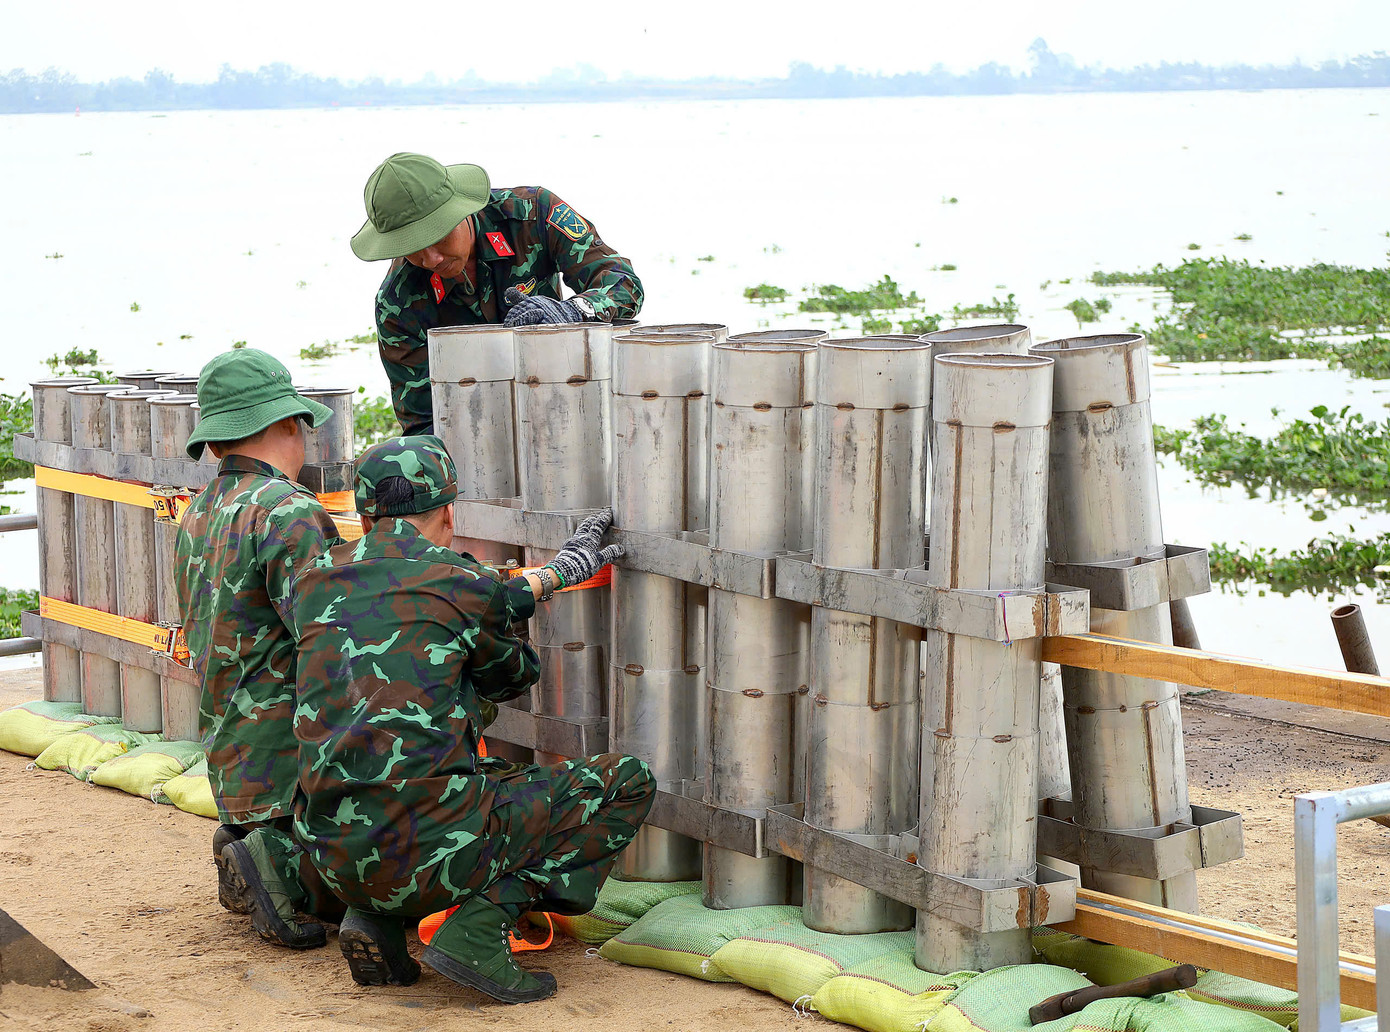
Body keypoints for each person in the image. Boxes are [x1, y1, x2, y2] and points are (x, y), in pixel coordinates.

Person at [288, 436, 654, 1002]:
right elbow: (514, 677)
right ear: (448, 512)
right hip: (427, 852)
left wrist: (540, 581)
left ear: (364, 513)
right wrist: (555, 578)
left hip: (332, 855)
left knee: (419, 770)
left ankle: (374, 918)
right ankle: (481, 929)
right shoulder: (465, 583)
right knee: (625, 782)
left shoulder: (311, 582)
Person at [174, 348, 345, 949]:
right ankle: (276, 859)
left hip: (232, 747)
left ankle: (247, 839)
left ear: (218, 442)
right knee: (377, 872)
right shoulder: (288, 511)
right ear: (287, 426)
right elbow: (328, 634)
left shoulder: (198, 511)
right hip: (288, 753)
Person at [350, 152, 643, 435]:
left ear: (462, 210)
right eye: (413, 249)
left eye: (439, 236)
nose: (432, 259)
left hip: (568, 399)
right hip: (474, 437)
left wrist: (574, 312)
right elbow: (424, 423)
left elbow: (623, 283)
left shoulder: (534, 214)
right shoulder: (397, 304)